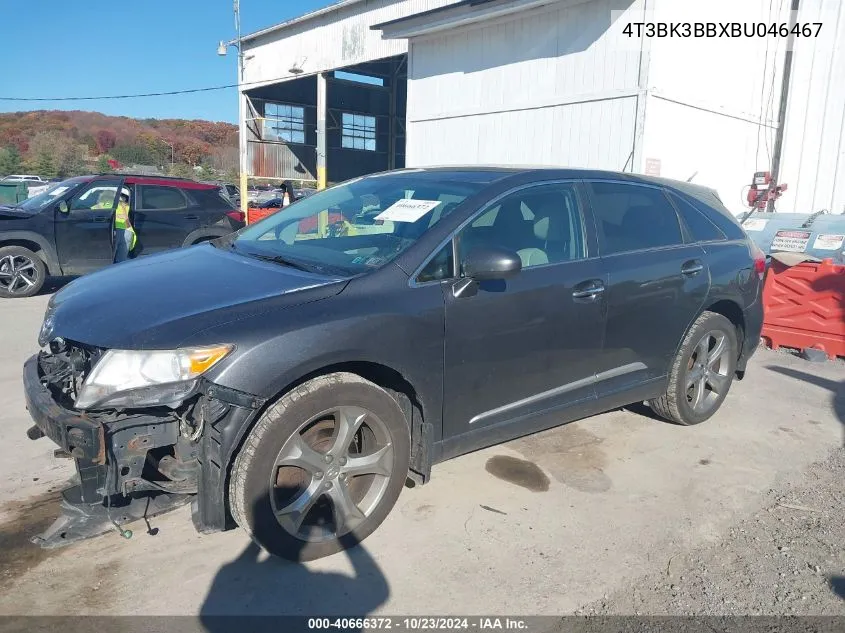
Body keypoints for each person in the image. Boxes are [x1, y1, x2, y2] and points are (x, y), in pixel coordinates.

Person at [113, 188, 136, 263]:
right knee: (121, 260)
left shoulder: (106, 204)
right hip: (128, 230)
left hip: (115, 230)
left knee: (112, 258)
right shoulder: (126, 206)